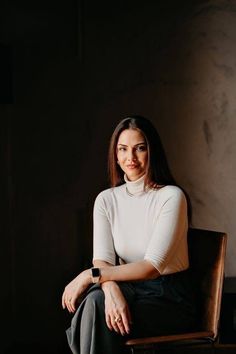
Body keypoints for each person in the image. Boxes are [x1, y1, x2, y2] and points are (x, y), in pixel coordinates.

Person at [62, 115, 197, 354]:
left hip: (168, 297)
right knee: (97, 303)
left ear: (152, 152)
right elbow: (103, 258)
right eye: (123, 149)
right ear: (115, 154)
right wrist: (110, 287)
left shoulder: (171, 197)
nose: (130, 158)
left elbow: (152, 267)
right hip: (127, 287)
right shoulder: (106, 199)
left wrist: (90, 276)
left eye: (139, 149)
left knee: (95, 311)